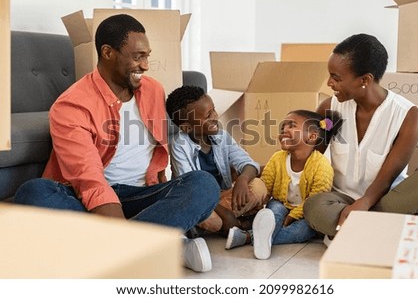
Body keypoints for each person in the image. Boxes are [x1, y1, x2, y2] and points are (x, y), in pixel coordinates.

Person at [14, 14, 220, 273]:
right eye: (137, 57)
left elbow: (171, 148)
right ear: (108, 52)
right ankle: (153, 247)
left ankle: (111, 251)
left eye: (147, 56)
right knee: (33, 193)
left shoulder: (153, 90)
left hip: (142, 195)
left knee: (203, 185)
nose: (145, 65)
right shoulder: (71, 105)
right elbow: (89, 180)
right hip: (87, 201)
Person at [303, 33, 418, 242]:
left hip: (387, 199)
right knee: (314, 207)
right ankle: (388, 232)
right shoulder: (329, 108)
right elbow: (309, 159)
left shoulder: (409, 116)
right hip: (339, 201)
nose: (329, 83)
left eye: (336, 77)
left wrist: (364, 203)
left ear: (365, 80)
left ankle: (357, 233)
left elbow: (388, 177)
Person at [225, 109, 342, 259]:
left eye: (291, 126)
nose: (284, 131)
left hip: (304, 213)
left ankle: (248, 237)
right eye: (282, 128)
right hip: (280, 204)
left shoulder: (322, 166)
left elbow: (314, 200)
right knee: (275, 211)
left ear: (312, 137)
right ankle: (261, 234)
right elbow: (265, 187)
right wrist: (254, 209)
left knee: (304, 231)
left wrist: (292, 216)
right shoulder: (277, 158)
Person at [166, 85, 268, 240]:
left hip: (222, 197)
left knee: (258, 186)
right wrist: (225, 213)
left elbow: (248, 163)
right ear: (187, 127)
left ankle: (228, 227)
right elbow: (191, 190)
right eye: (208, 116)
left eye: (213, 109)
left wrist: (242, 179)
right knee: (200, 212)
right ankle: (242, 227)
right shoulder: (179, 146)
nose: (215, 116)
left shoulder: (222, 136)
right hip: (198, 199)